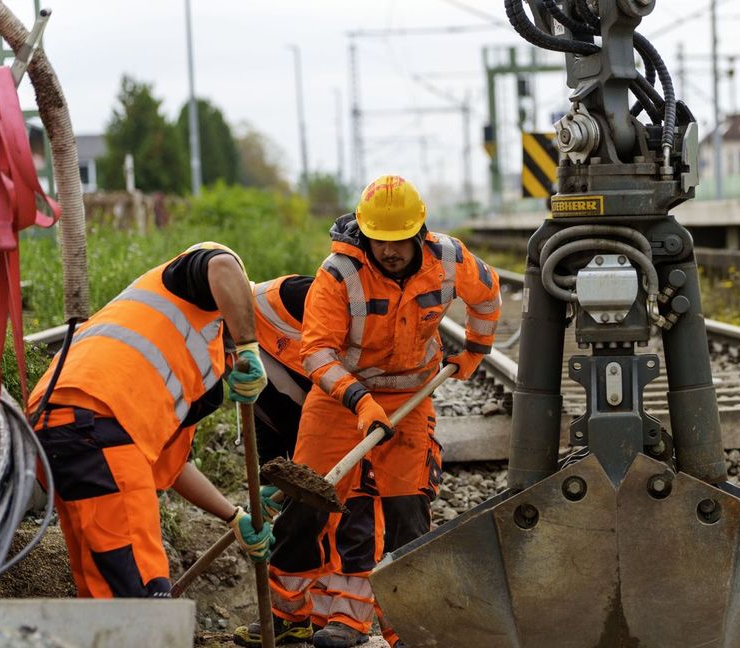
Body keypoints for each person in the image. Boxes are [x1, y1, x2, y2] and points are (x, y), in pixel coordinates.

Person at [233, 175, 502, 648]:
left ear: (419, 233)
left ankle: (411, 627)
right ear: (365, 234)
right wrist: (361, 403)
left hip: (411, 399)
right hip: (340, 400)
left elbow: (488, 294)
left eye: (399, 241)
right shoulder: (338, 275)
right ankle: (288, 615)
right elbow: (316, 352)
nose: (390, 251)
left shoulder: (451, 260)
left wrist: (476, 351)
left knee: (407, 515)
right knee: (305, 508)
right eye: (381, 241)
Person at [27, 242, 274, 598]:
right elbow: (221, 264)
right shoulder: (192, 293)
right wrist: (249, 344)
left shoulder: (183, 364)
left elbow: (173, 467)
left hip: (57, 428)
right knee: (140, 594)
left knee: (105, 593)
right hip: (99, 424)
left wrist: (233, 517)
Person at [249, 274, 314, 524]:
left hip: (359, 419)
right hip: (309, 448)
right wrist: (269, 475)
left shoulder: (287, 296)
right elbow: (263, 411)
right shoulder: (222, 345)